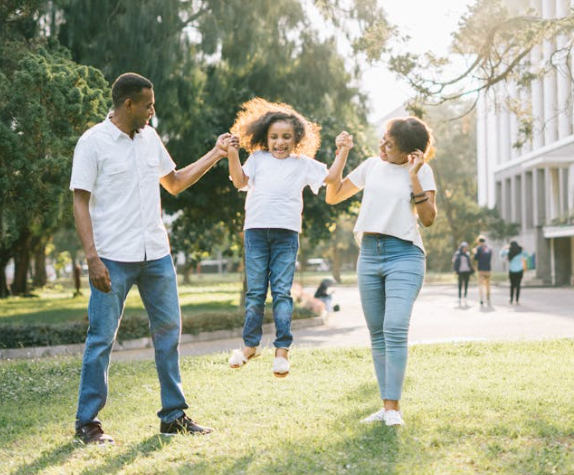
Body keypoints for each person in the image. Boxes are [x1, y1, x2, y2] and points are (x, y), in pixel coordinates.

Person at [70, 72, 229, 444]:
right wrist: (92, 258)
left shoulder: (150, 138)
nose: (152, 112)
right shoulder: (93, 142)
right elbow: (79, 200)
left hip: (156, 254)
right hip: (112, 257)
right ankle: (87, 422)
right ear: (128, 104)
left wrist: (216, 153)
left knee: (169, 334)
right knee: (101, 339)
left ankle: (173, 416)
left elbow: (173, 182)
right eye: (148, 105)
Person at [225, 98, 352, 378]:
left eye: (286, 137)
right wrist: (232, 154)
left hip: (286, 234)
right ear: (265, 138)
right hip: (256, 232)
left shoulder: (302, 163)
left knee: (282, 292)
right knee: (256, 292)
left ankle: (282, 352)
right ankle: (250, 346)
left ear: (297, 139)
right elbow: (239, 181)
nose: (279, 142)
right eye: (274, 137)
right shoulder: (258, 159)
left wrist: (342, 151)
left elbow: (331, 177)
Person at [326, 116, 437, 427]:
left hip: (405, 255)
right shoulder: (372, 166)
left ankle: (393, 409)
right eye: (384, 140)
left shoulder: (422, 170)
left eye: (391, 145)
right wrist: (342, 153)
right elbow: (332, 196)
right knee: (377, 334)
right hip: (370, 255)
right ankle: (386, 407)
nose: (383, 147)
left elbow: (428, 218)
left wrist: (414, 176)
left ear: (411, 153)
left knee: (395, 327)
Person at [500, 240, 528, 305]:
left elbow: (501, 254)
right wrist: (523, 248)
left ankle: (511, 300)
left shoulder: (509, 251)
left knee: (512, 286)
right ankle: (517, 300)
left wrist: (505, 248)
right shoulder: (521, 251)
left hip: (512, 271)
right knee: (518, 286)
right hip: (519, 271)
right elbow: (526, 256)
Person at [473, 236, 492, 306]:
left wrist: (475, 252)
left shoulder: (478, 248)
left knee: (481, 285)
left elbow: (475, 258)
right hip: (488, 269)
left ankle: (481, 299)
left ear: (479, 242)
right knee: (488, 285)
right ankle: (488, 298)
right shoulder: (489, 248)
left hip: (481, 269)